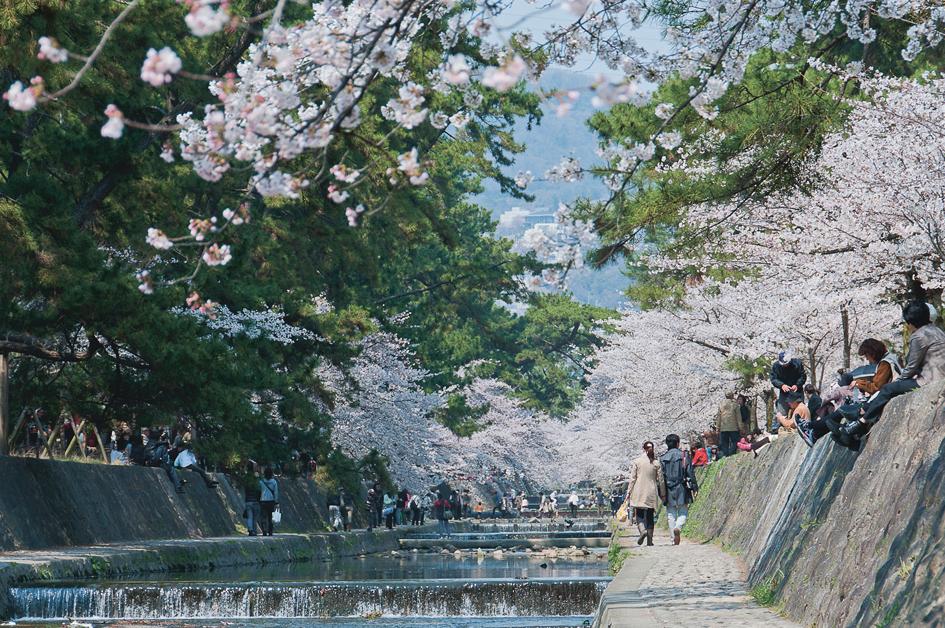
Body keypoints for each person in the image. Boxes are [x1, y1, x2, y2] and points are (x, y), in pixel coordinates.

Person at [839, 302, 945, 443]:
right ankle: (862, 414)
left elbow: (911, 366)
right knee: (889, 389)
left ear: (911, 322)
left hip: (931, 379)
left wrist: (899, 380)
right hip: (937, 375)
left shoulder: (918, 336)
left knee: (889, 388)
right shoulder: (936, 330)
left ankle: (861, 421)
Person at [660, 434, 698, 546]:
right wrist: (694, 486)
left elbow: (660, 478)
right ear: (677, 443)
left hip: (668, 488)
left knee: (670, 514)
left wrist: (661, 492)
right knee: (683, 511)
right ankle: (678, 527)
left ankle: (673, 539)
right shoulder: (684, 456)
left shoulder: (662, 458)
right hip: (681, 486)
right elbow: (690, 472)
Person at [624, 441, 664, 547]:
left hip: (638, 490)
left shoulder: (637, 461)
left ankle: (642, 531)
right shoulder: (656, 463)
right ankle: (650, 541)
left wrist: (629, 492)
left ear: (643, 449)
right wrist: (663, 493)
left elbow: (632, 479)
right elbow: (661, 480)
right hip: (651, 491)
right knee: (650, 515)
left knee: (640, 514)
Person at [770, 351, 807, 432]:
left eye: (787, 363)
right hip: (784, 392)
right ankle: (776, 429)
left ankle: (802, 427)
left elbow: (803, 376)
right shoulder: (776, 366)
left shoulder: (797, 363)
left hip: (797, 391)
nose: (785, 365)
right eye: (783, 364)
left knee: (800, 409)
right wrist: (781, 385)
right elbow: (773, 379)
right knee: (781, 410)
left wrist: (797, 385)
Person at [717, 392, 742, 456]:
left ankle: (726, 455)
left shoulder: (721, 405)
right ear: (732, 396)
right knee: (735, 441)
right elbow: (738, 417)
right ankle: (731, 453)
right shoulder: (735, 404)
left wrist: (718, 428)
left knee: (724, 443)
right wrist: (740, 427)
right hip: (733, 428)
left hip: (723, 428)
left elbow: (719, 418)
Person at [259, 467, 279, 536]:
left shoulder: (261, 482)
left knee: (263, 517)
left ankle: (264, 531)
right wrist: (276, 501)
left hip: (263, 500)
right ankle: (270, 531)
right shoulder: (274, 482)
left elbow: (259, 491)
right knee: (270, 517)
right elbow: (276, 492)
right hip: (271, 501)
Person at [242, 462, 261, 536]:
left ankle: (250, 530)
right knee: (255, 518)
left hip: (248, 500)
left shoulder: (246, 477)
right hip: (256, 500)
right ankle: (254, 530)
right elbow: (259, 488)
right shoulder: (256, 478)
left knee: (250, 517)